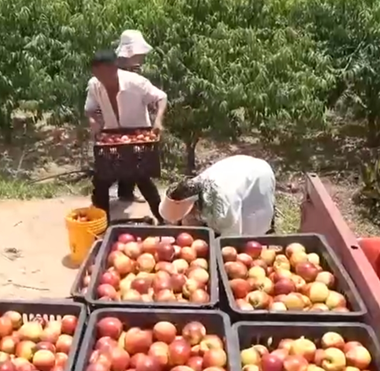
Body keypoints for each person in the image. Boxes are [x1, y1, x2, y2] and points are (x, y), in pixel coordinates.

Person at [85, 49, 167, 223]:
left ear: (114, 68)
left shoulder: (135, 82)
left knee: (141, 178)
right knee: (101, 181)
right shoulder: (94, 84)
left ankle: (163, 218)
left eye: (105, 74)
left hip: (137, 137)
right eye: (98, 75)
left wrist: (158, 121)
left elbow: (161, 97)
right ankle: (103, 224)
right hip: (112, 138)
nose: (102, 79)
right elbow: (90, 108)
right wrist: (93, 121)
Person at [159, 155, 277, 236]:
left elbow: (230, 237)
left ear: (194, 208)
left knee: (251, 223)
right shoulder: (191, 187)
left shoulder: (223, 205)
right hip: (238, 166)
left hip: (258, 174)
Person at [114, 30, 154, 203]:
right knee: (133, 157)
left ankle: (125, 192)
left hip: (131, 116)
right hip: (125, 117)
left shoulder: (131, 68)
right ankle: (148, 198)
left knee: (128, 155)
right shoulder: (120, 70)